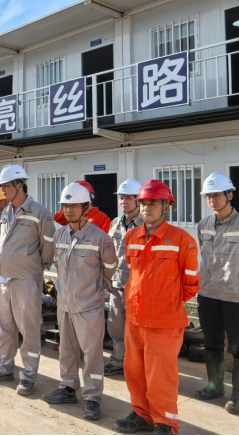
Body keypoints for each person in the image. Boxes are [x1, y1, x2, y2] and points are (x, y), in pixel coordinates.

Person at [114, 180, 200, 436]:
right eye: (143, 203)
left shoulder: (182, 239)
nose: (146, 207)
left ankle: (166, 423)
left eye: (153, 203)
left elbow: (191, 283)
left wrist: (166, 303)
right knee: (135, 372)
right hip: (135, 319)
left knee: (161, 376)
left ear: (167, 207)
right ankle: (142, 414)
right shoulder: (132, 237)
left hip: (164, 322)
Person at [44, 183, 117, 421]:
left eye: (74, 206)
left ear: (86, 207)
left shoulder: (100, 238)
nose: (68, 210)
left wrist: (97, 288)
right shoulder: (59, 235)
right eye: (65, 206)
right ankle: (68, 387)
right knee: (66, 349)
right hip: (65, 304)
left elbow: (111, 267)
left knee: (92, 354)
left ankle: (93, 397)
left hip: (89, 306)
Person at [0, 164, 55, 397]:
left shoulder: (39, 212)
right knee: (5, 329)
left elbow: (48, 246)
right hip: (3, 279)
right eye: (2, 187)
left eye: (6, 186)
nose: (2, 191)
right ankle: (4, 368)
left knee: (29, 331)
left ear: (19, 186)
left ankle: (29, 375)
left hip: (26, 280)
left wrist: (35, 268)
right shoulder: (5, 212)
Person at [195, 173, 239, 415]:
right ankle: (215, 387)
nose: (212, 199)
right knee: (212, 343)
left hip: (236, 298)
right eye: (208, 195)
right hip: (208, 295)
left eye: (217, 195)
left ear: (229, 195)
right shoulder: (203, 224)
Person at [105, 179, 143, 377]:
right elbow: (109, 252)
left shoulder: (147, 224)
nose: (124, 201)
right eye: (121, 198)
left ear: (138, 200)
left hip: (138, 287)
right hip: (117, 283)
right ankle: (118, 361)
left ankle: (137, 364)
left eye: (129, 198)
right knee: (116, 324)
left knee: (137, 327)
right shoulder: (116, 223)